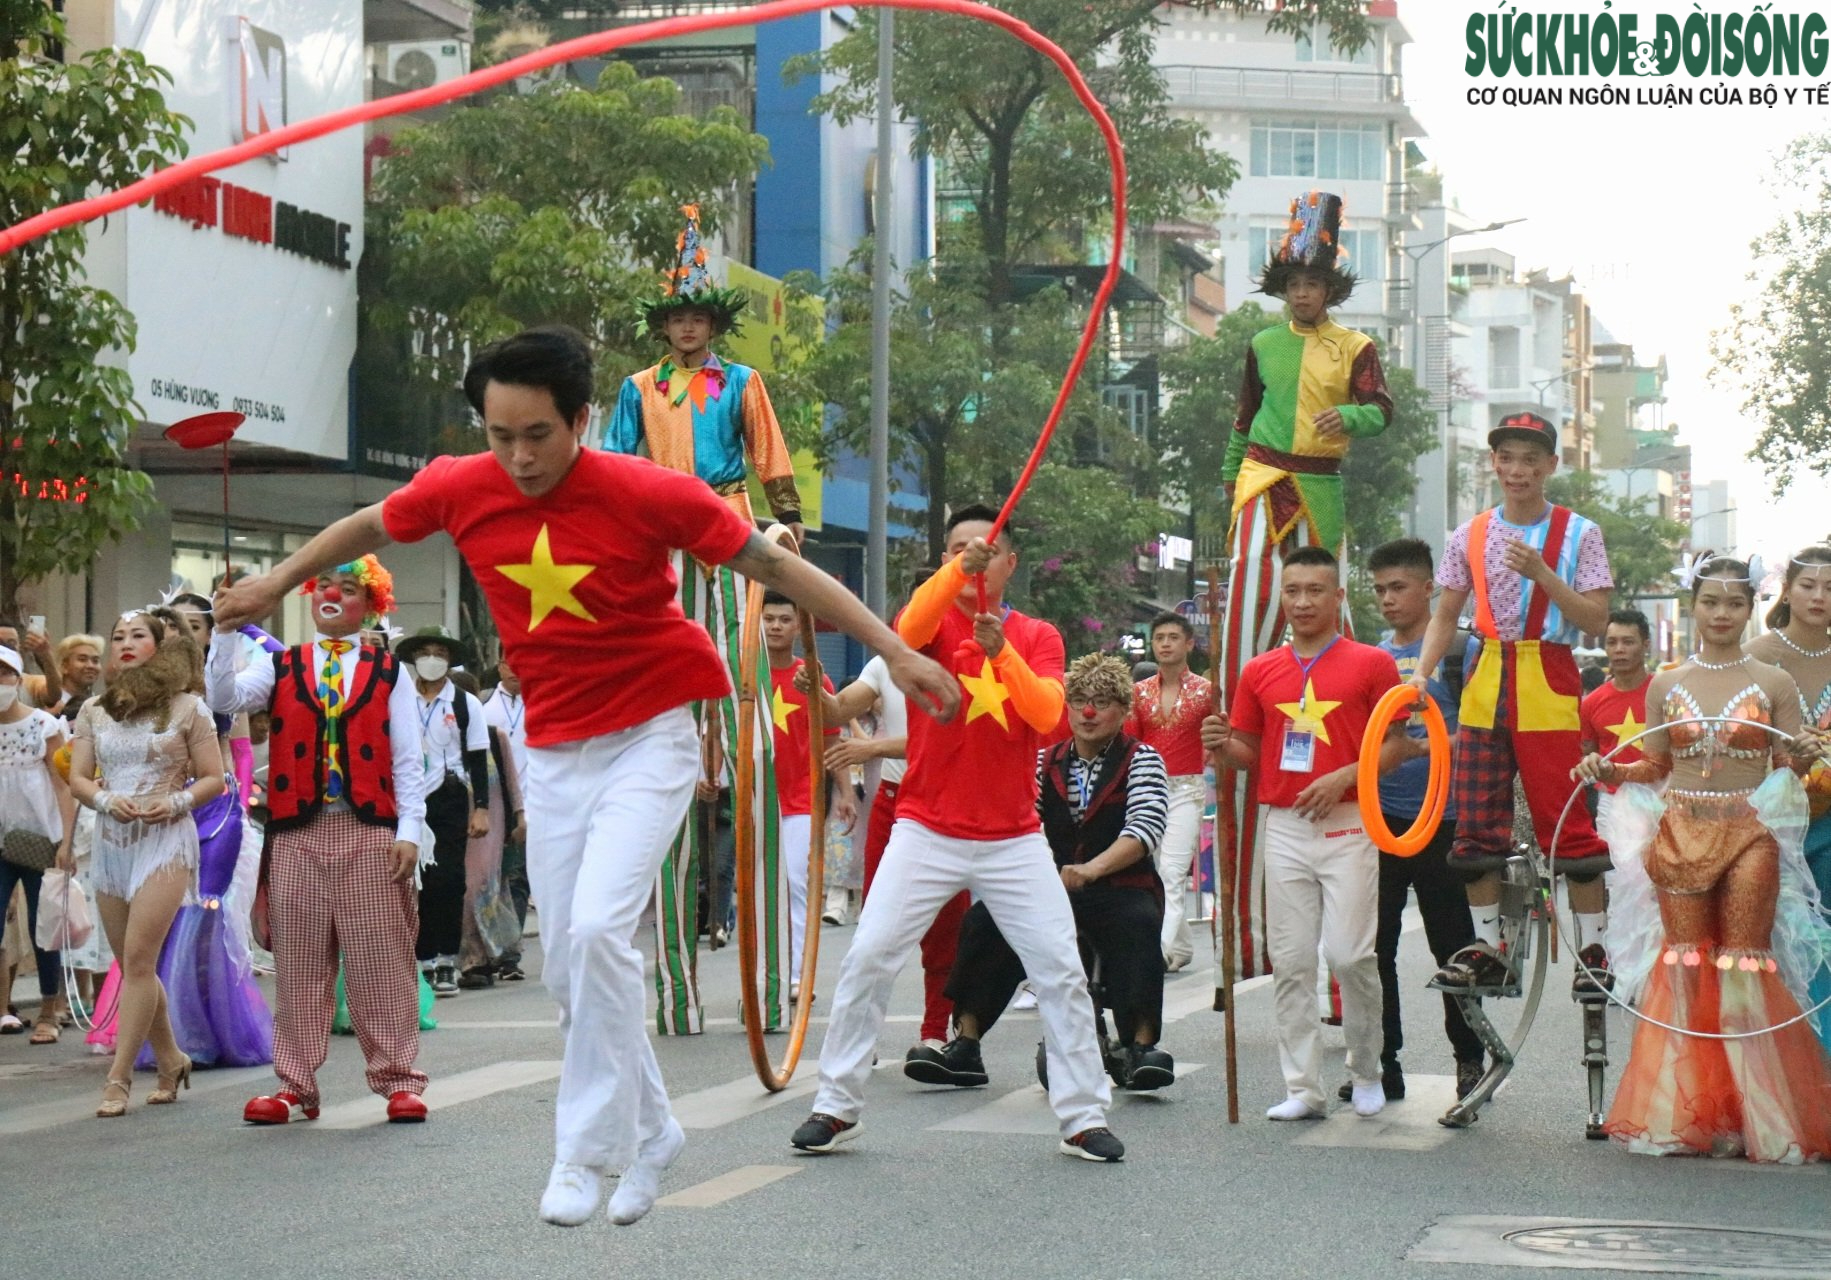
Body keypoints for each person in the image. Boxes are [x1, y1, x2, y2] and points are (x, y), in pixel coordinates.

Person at [212, 324, 956, 1225]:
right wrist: (269, 585)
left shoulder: (649, 491)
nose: (519, 457)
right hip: (556, 752)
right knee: (570, 971)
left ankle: (582, 1147)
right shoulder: (459, 484)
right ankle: (653, 1132)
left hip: (650, 737)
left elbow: (775, 565)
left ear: (581, 419)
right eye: (500, 435)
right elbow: (367, 523)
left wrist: (895, 654)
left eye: (539, 436)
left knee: (602, 931)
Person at [792, 505, 1124, 1164]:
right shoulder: (925, 631)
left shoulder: (1035, 636)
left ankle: (1082, 1115)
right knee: (868, 955)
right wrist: (951, 580)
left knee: (1059, 971)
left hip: (1012, 836)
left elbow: (1049, 716)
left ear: (1010, 563)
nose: (971, 557)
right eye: (956, 549)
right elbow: (908, 626)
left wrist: (1003, 656)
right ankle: (835, 1104)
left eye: (984, 548)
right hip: (926, 826)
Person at [604, 203, 803, 1036]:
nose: (687, 330)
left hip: (721, 522)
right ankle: (673, 994)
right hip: (658, 528)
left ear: (712, 325)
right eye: (677, 319)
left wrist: (789, 529)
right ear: (666, 326)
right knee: (665, 700)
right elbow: (613, 465)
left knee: (737, 699)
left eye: (697, 319)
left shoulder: (742, 384)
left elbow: (771, 462)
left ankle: (763, 989)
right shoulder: (636, 388)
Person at [1584, 555, 1831, 1162]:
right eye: (1710, 603)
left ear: (1751, 609)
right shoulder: (1667, 682)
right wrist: (1611, 769)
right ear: (1693, 606)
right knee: (1687, 968)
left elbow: (1787, 771)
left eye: (1735, 604)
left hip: (1751, 835)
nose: (1722, 615)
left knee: (1746, 966)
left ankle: (1764, 1121)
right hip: (1681, 833)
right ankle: (1683, 1115)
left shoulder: (1773, 683)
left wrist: (1800, 755)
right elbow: (1659, 765)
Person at [1218, 190, 1393, 984]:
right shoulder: (1257, 342)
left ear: (1331, 288)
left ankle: (1347, 754)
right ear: (1280, 281)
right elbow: (1240, 421)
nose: (1301, 290)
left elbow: (1380, 411)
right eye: (1292, 278)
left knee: (1330, 626)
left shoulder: (1354, 345)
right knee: (1247, 638)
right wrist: (1228, 495)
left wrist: (1348, 424)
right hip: (1260, 484)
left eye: (1314, 280)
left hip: (1320, 491)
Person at [205, 556, 431, 1127]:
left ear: (370, 604)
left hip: (369, 830)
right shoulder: (281, 665)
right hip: (297, 832)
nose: (332, 595)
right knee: (301, 964)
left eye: (348, 588)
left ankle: (399, 1080)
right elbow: (225, 699)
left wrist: (408, 831)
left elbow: (408, 759)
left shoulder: (391, 672)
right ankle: (294, 1084)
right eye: (324, 585)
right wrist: (226, 630)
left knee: (382, 960)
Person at [1407, 411, 1615, 997]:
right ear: (1493, 463)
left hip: (1548, 670)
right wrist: (1422, 675)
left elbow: (1596, 621)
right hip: (1485, 671)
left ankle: (1593, 952)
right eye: (1508, 458)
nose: (1518, 469)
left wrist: (1544, 574)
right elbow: (1446, 613)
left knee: (1568, 822)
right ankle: (1489, 948)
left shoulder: (1581, 532)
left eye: (1531, 458)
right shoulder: (1468, 534)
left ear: (1551, 465)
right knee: (1475, 824)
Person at [1201, 546, 1409, 1121]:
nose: (1302, 602)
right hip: (1285, 825)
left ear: (1338, 597)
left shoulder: (1372, 663)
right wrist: (1222, 742)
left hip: (1348, 824)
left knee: (1350, 956)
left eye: (1315, 590)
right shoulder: (1259, 670)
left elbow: (1396, 745)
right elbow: (1250, 751)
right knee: (1291, 961)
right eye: (1292, 591)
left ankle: (1367, 1070)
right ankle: (1303, 1088)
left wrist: (1344, 775)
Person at [922, 654, 1175, 1092]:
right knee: (984, 922)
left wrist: (1091, 869)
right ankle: (965, 1043)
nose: (1087, 713)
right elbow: (1023, 817)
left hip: (1117, 884)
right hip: (1047, 883)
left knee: (1137, 922)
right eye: (1078, 701)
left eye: (1100, 702)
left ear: (1123, 709)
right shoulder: (1043, 762)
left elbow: (1145, 827)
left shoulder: (1143, 759)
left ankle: (1140, 1046)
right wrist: (1039, 869)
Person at [66, 613, 225, 1116]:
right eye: (118, 638)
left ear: (159, 647)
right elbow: (79, 779)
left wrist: (176, 803)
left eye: (138, 636)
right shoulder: (94, 709)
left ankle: (118, 1080)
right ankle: (172, 1058)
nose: (127, 645)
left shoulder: (189, 708)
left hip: (166, 841)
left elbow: (213, 778)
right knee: (133, 964)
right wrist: (106, 800)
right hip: (113, 840)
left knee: (138, 960)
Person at [809, 602, 969, 1069]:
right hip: (893, 802)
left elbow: (948, 732)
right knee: (877, 926)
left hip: (944, 800)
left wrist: (874, 745)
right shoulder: (882, 665)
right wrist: (815, 689)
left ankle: (937, 1031)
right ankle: (861, 1038)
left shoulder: (956, 664)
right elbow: (838, 709)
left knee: (944, 926)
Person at [1354, 539, 1482, 1103]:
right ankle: (1382, 1063)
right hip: (1379, 821)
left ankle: (1470, 1060)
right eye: (1378, 589)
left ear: (1430, 587)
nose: (1387, 599)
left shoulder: (1460, 651)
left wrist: (1420, 750)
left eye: (1398, 587)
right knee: (1372, 948)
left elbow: (1483, 739)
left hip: (1446, 821)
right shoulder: (1372, 659)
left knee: (1451, 947)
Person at [1745, 544, 1831, 1049]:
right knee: (1774, 943)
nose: (1819, 596)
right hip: (1772, 824)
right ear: (1787, 589)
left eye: (1830, 587)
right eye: (1809, 585)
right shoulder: (1757, 655)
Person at [759, 592, 855, 1001]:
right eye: (769, 619)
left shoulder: (814, 676)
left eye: (785, 618)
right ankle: (766, 976)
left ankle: (797, 975)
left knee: (795, 883)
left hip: (801, 800)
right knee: (760, 891)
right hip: (757, 798)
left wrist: (845, 793)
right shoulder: (747, 678)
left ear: (799, 626)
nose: (776, 626)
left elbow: (832, 738)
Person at [393, 626, 490, 997]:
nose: (432, 659)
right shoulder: (399, 697)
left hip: (448, 795)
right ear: (415, 658)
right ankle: (421, 961)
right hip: (407, 796)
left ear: (450, 661)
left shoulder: (466, 704)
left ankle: (446, 960)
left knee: (448, 881)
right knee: (412, 881)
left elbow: (478, 759)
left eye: (440, 653)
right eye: (425, 652)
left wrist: (480, 808)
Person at [1128, 611, 1214, 972]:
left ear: (1189, 644)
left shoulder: (1208, 692)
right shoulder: (1138, 692)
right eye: (1159, 637)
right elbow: (1131, 742)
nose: (1164, 643)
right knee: (1155, 872)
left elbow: (1221, 736)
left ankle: (1156, 952)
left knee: (1172, 872)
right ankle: (1180, 947)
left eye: (1172, 637)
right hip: (1146, 788)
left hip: (1187, 791)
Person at [0, 645, 76, 1046]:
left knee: (42, 926)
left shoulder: (44, 725)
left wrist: (66, 839)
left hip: (40, 839)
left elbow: (64, 784)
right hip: (0, 842)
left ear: (18, 678)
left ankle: (49, 1009)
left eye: (4, 673)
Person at [1581, 609, 1654, 831]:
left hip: (1662, 796)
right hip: (1613, 802)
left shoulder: (1666, 693)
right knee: (1614, 865)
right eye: (1612, 642)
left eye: (1628, 642)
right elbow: (1589, 753)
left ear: (1646, 645)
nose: (1619, 649)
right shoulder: (1591, 703)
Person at [482, 656, 532, 980]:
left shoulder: (541, 703)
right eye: (509, 662)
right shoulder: (482, 706)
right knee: (491, 881)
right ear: (500, 666)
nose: (516, 669)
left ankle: (510, 954)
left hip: (537, 806)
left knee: (520, 880)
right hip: (498, 808)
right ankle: (491, 949)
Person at [46, 633, 103, 726]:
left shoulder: (101, 705)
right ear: (64, 666)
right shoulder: (47, 701)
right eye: (82, 659)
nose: (90, 666)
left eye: (95, 661)